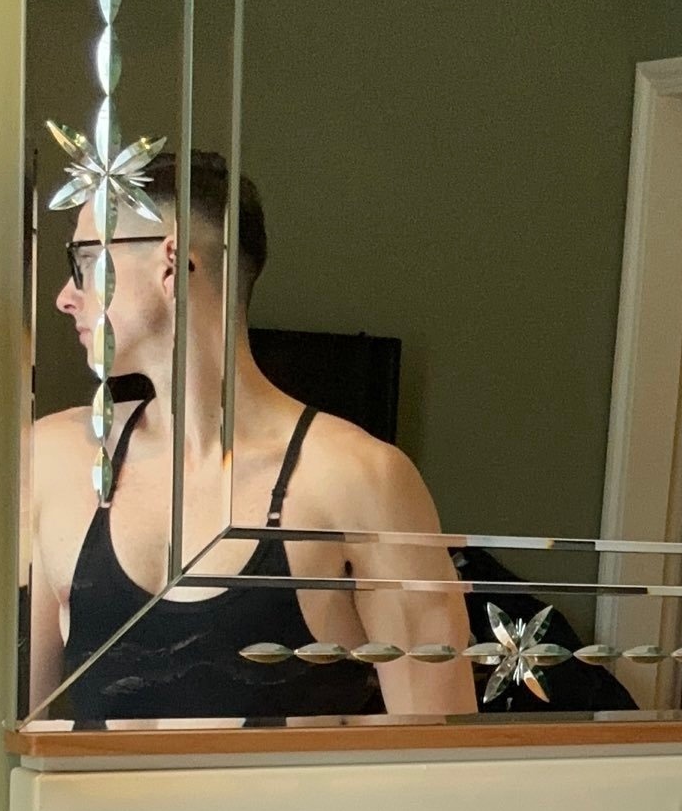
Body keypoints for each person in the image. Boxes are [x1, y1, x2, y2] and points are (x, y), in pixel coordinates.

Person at [31, 151, 476, 725]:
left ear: (171, 264)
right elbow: (3, 735)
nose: (65, 296)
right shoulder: (55, 460)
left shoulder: (358, 479)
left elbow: (440, 750)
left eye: (87, 261)